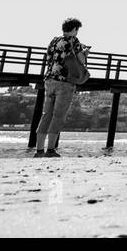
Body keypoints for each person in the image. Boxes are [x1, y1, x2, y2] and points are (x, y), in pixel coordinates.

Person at [34, 18, 88, 157]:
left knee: (46, 115)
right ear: (75, 29)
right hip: (65, 82)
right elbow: (81, 60)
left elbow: (50, 57)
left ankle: (39, 150)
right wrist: (85, 53)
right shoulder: (74, 41)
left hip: (49, 80)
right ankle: (50, 150)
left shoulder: (54, 41)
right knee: (58, 116)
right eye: (77, 29)